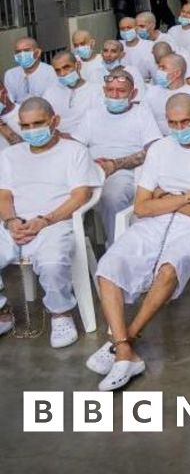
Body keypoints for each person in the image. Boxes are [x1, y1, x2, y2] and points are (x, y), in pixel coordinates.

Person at [86, 93, 190, 391]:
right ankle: (125, 351)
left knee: (168, 270)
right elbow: (141, 207)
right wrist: (188, 196)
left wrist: (167, 198)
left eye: (185, 122)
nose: (179, 128)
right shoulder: (160, 150)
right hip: (153, 222)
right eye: (173, 123)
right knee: (108, 267)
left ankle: (124, 340)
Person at [0, 97, 102, 346]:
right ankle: (2, 312)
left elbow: (81, 195)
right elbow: (4, 195)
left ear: (54, 121)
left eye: (38, 123)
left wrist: (45, 220)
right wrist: (11, 221)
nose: (32, 130)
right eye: (25, 126)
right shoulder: (10, 155)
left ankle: (61, 314)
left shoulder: (74, 151)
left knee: (52, 263)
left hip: (55, 222)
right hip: (16, 223)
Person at [72, 68, 161, 244]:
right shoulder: (92, 115)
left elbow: (154, 150)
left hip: (124, 172)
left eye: (121, 91)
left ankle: (116, 247)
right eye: (110, 90)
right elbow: (75, 146)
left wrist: (115, 164)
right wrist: (89, 165)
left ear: (133, 93)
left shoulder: (141, 114)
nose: (114, 95)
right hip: (90, 169)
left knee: (112, 197)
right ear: (104, 91)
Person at [4, 37, 58, 103]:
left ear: (38, 52)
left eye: (26, 50)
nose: (22, 54)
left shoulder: (50, 71)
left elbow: (53, 99)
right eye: (18, 52)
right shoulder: (10, 74)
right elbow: (9, 100)